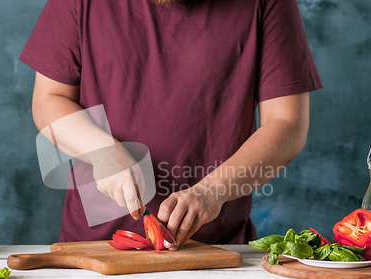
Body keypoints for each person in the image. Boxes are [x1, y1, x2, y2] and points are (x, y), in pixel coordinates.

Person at [20, 0, 323, 250]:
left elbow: (288, 123)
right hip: (92, 244)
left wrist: (213, 191)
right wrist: (102, 153)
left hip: (215, 248)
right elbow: (50, 99)